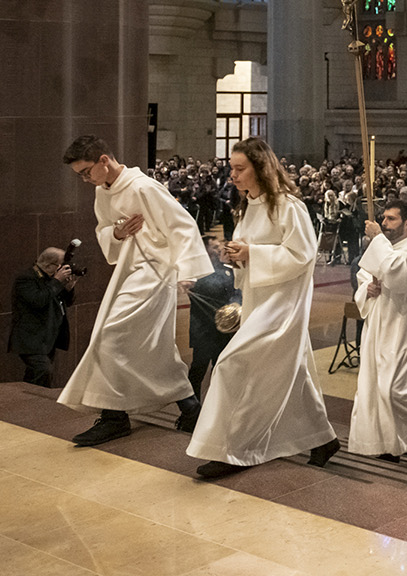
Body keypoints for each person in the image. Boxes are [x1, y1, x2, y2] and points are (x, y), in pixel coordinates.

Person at [188, 138, 339, 477]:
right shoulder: (247, 206)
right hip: (259, 302)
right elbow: (247, 254)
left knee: (232, 364)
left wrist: (251, 254)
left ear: (260, 168)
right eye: (231, 168)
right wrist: (235, 257)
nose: (233, 175)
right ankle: (322, 439)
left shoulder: (288, 206)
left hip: (284, 305)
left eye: (240, 168)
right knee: (289, 371)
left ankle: (232, 450)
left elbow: (303, 256)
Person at [60, 135, 211, 445]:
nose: (85, 179)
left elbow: (182, 225)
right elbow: (104, 229)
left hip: (155, 273)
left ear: (104, 160)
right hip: (131, 272)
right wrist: (115, 232)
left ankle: (115, 418)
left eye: (86, 171)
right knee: (152, 346)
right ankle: (190, 408)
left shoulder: (143, 186)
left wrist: (187, 272)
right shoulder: (103, 193)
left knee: (110, 335)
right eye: (79, 175)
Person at [348, 200, 407, 463]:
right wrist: (368, 288)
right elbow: (365, 274)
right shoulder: (386, 247)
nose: (385, 224)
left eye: (392, 219)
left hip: (404, 328)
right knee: (375, 386)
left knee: (394, 388)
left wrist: (377, 239)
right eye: (384, 219)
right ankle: (393, 444)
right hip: (379, 323)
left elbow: (400, 277)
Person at [9, 247, 76, 386]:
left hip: (47, 338)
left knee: (36, 377)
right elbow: (38, 300)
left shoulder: (50, 279)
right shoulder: (26, 279)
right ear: (50, 265)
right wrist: (57, 281)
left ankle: (28, 401)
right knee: (43, 370)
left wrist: (68, 289)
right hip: (31, 339)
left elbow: (66, 302)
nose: (63, 269)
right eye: (61, 265)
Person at [185, 237, 238, 399]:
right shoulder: (197, 273)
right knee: (198, 369)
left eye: (219, 247)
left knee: (220, 367)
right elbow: (210, 290)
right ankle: (192, 408)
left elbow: (235, 291)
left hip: (222, 330)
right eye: (214, 247)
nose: (218, 250)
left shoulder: (225, 269)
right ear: (205, 249)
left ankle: (215, 403)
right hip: (203, 329)